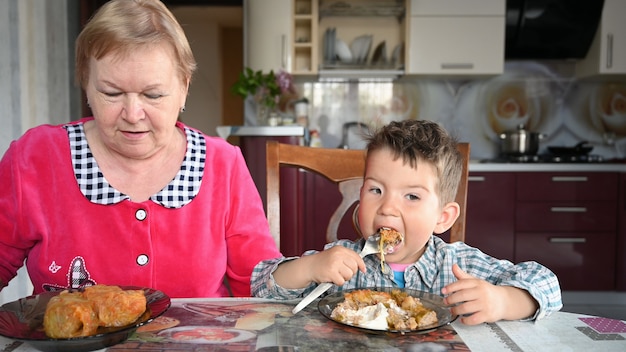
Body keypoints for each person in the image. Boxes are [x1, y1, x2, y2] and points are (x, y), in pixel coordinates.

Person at [0, 0, 281, 298]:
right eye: (111, 93)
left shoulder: (223, 165)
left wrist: (310, 269)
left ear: (184, 87)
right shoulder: (36, 158)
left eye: (153, 94)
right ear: (86, 83)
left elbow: (256, 284)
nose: (133, 114)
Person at [251, 119, 563, 325]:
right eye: (375, 190)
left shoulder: (459, 265)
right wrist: (309, 268)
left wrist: (502, 300)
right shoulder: (340, 261)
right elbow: (261, 287)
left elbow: (547, 283)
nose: (386, 207)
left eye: (411, 196)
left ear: (443, 217)